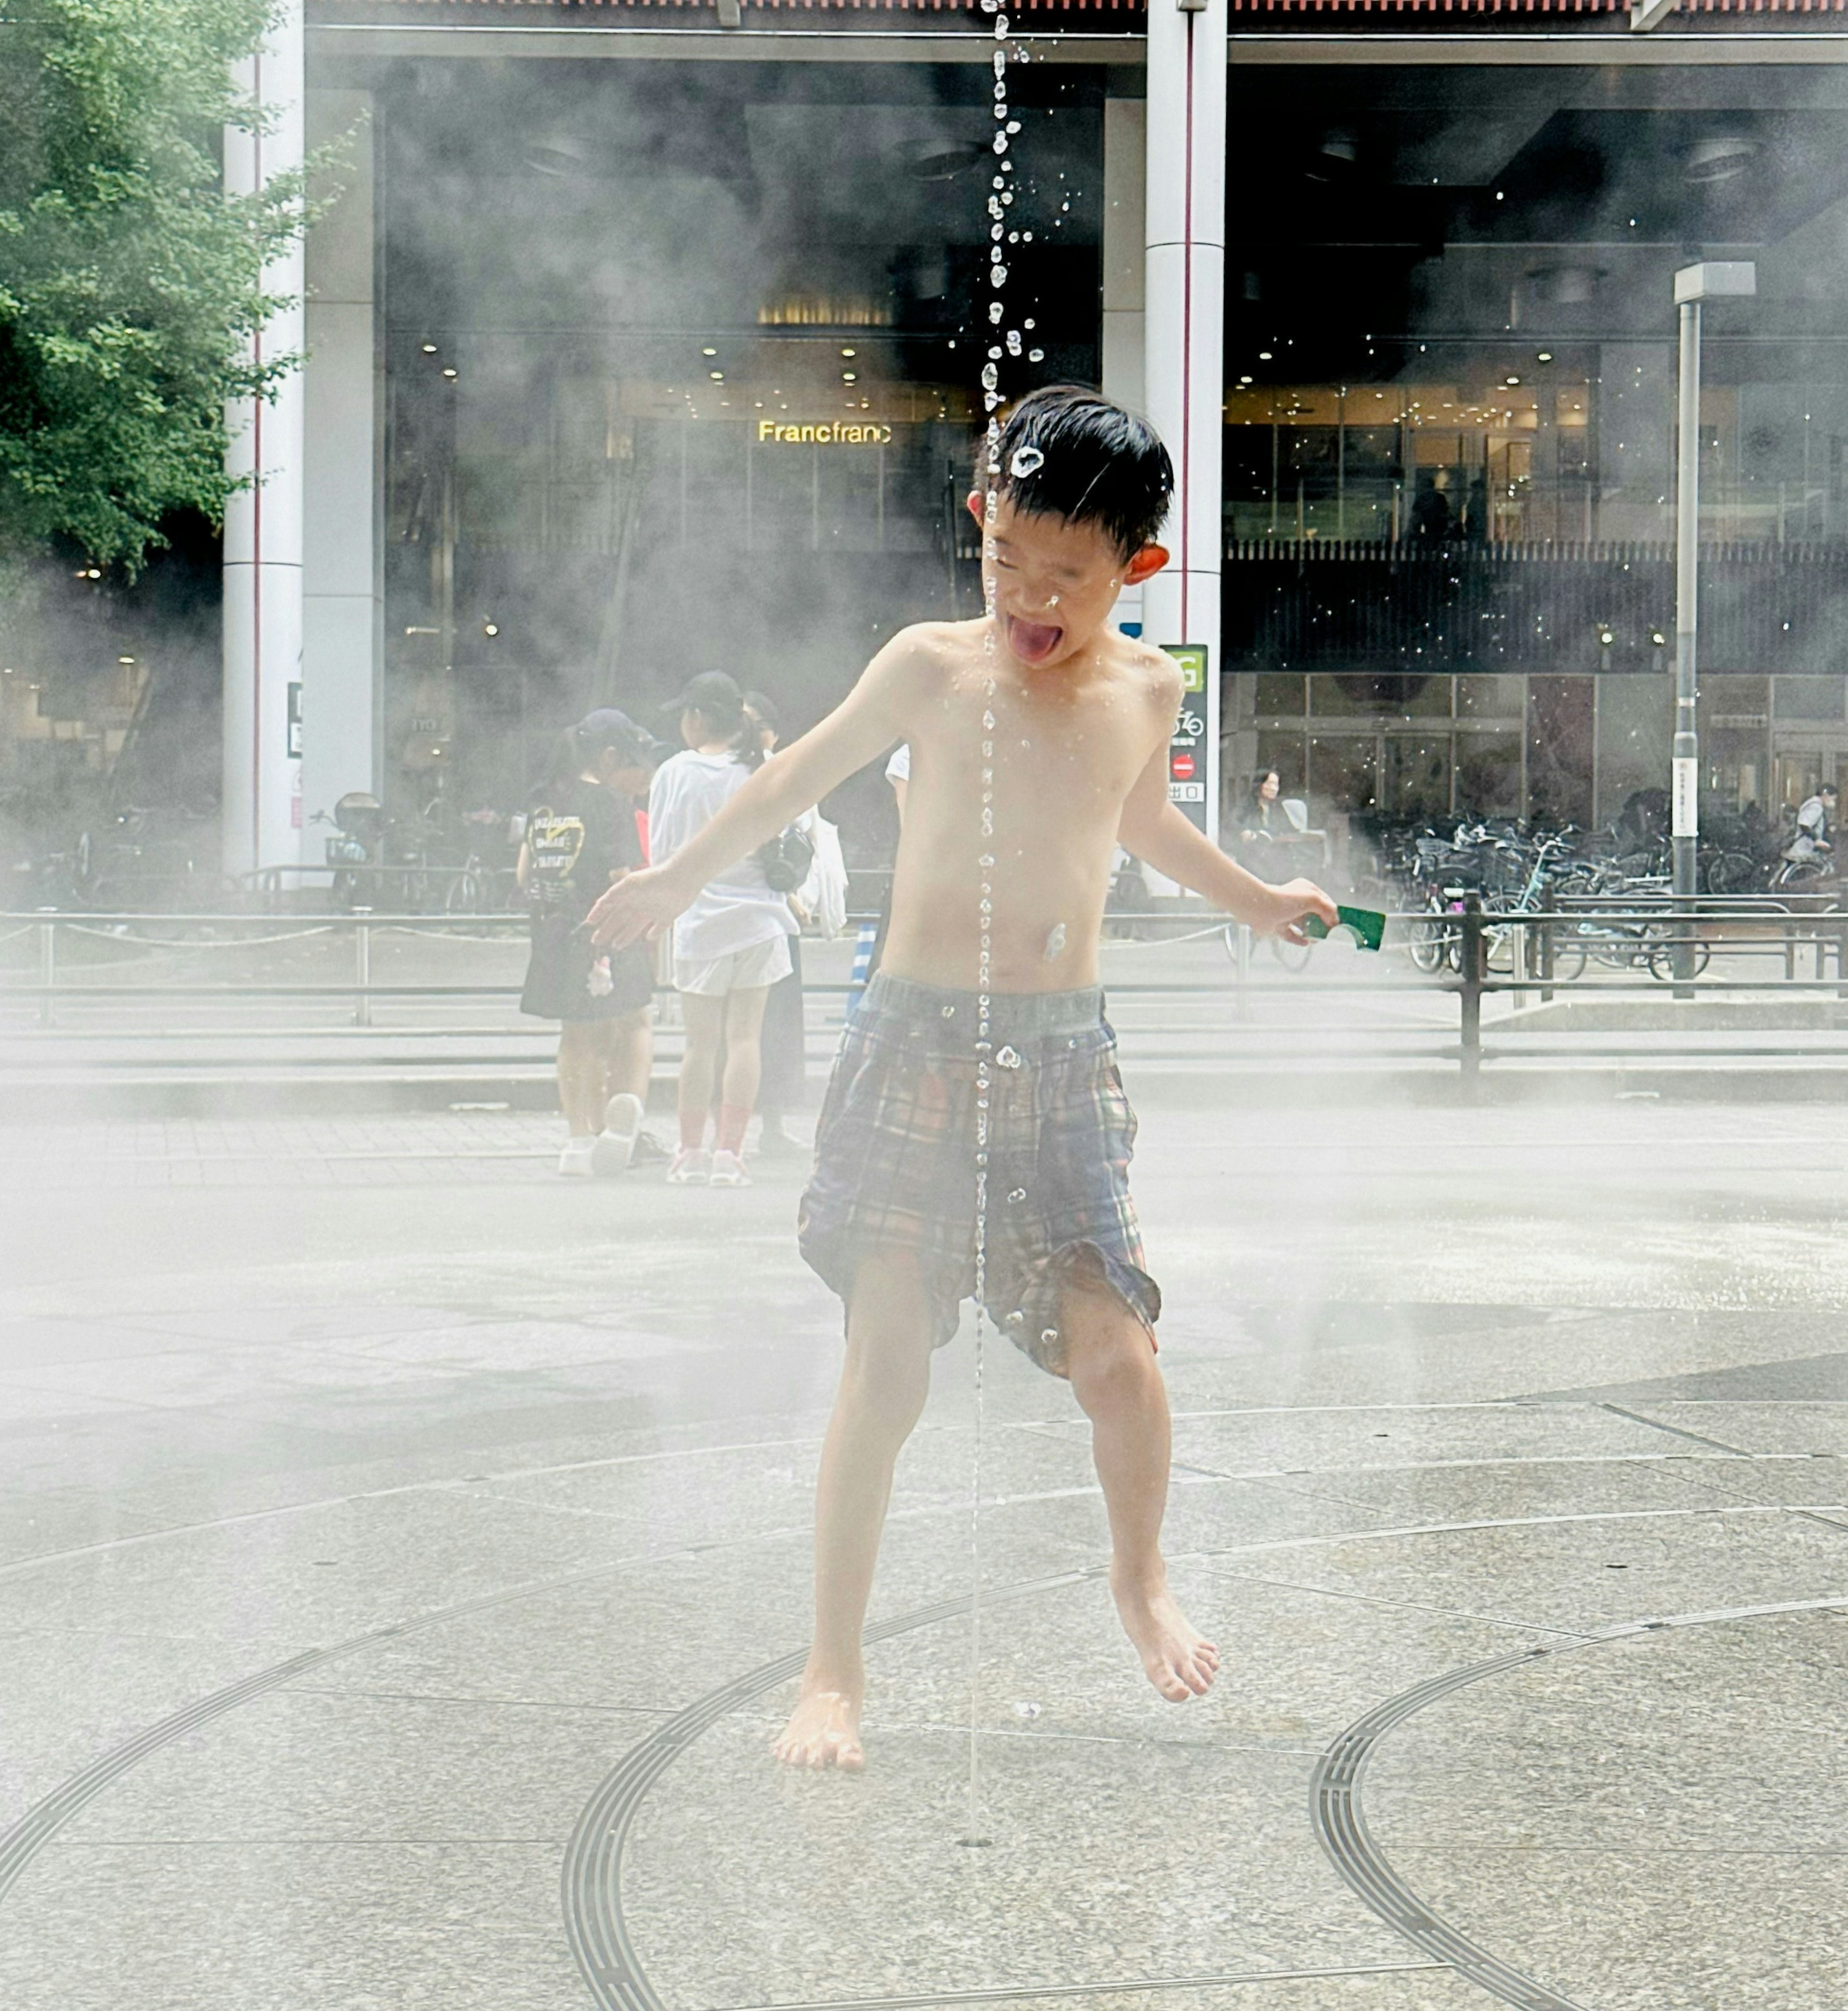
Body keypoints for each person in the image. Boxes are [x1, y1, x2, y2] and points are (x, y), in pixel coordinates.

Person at [590, 388, 1335, 1769]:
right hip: (916, 1037)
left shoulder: (1148, 684)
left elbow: (1145, 822)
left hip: (1062, 1052)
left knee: (1120, 1359)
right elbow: (792, 778)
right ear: (980, 522)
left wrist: (1256, 899)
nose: (1029, 599)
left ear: (1138, 570)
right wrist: (676, 874)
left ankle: (1138, 1573)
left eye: (1066, 575)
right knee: (886, 1363)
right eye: (1008, 560)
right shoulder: (932, 667)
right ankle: (833, 1668)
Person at [647, 671, 798, 1188]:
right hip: (759, 920)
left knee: (700, 1045)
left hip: (700, 921)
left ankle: (689, 1151)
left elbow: (662, 853)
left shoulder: (674, 772)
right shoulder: (760, 770)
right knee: (745, 1040)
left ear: (698, 717)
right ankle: (729, 1154)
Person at [518, 709, 659, 1178]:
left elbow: (524, 873)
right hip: (606, 931)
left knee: (574, 1036)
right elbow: (622, 876)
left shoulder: (543, 800)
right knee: (634, 1020)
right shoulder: (611, 803)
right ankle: (627, 1113)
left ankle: (578, 1141)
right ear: (610, 755)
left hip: (553, 930)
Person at [745, 689, 812, 1158]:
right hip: (748, 914)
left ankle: (771, 1124)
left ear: (773, 730)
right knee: (739, 1028)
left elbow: (804, 838)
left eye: (755, 722)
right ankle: (728, 1134)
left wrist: (798, 894)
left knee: (778, 1025)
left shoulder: (788, 770)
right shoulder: (729, 772)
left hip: (780, 916)